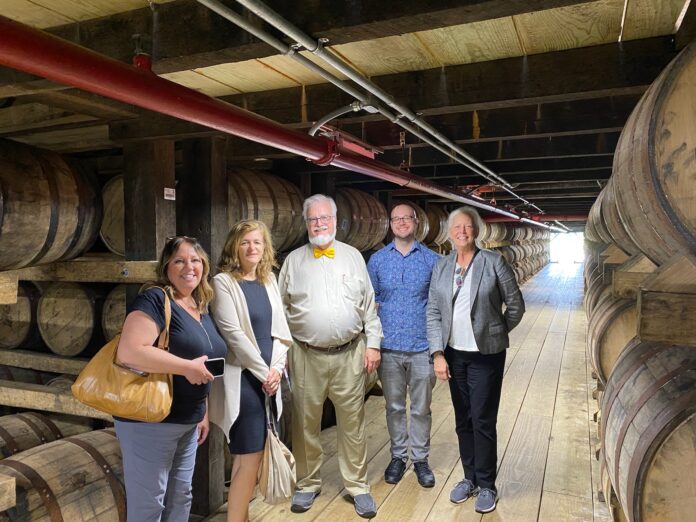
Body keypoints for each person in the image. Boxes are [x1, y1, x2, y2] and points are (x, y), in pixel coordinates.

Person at [278, 193, 383, 519]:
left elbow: (369, 305)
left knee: (352, 424)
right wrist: (281, 352)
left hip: (350, 354)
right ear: (306, 223)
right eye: (313, 219)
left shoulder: (353, 257)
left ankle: (358, 486)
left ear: (335, 222)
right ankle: (307, 485)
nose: (319, 224)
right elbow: (279, 312)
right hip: (305, 354)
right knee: (305, 424)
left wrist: (374, 343)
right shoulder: (293, 261)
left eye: (324, 218)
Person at [115, 236, 227, 522]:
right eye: (179, 260)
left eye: (195, 260)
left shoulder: (198, 304)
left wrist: (202, 411)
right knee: (149, 506)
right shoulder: (154, 299)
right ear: (166, 267)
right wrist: (186, 367)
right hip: (151, 421)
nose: (188, 266)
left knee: (181, 497)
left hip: (187, 420)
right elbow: (130, 351)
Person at [426, 207, 525, 514]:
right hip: (454, 355)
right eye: (457, 227)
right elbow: (433, 311)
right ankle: (468, 477)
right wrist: (437, 353)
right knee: (463, 419)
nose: (462, 231)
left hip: (485, 356)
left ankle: (487, 484)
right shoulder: (442, 266)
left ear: (477, 230)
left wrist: (495, 332)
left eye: (468, 226)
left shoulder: (493, 262)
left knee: (482, 419)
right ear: (450, 231)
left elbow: (516, 306)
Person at [208, 220, 292, 522]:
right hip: (244, 381)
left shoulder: (269, 279)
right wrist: (265, 373)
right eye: (245, 242)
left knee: (253, 459)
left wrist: (278, 369)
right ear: (234, 247)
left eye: (257, 242)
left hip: (268, 380)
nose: (252, 248)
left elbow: (281, 331)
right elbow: (234, 336)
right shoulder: (223, 283)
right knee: (248, 457)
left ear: (265, 247)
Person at [367, 203, 440, 488]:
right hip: (389, 348)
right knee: (394, 407)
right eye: (396, 219)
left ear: (415, 222)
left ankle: (420, 459)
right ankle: (398, 456)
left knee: (421, 408)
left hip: (422, 347)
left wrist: (439, 349)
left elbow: (438, 307)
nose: (401, 223)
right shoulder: (377, 260)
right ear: (390, 224)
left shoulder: (433, 260)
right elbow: (369, 304)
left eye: (406, 218)